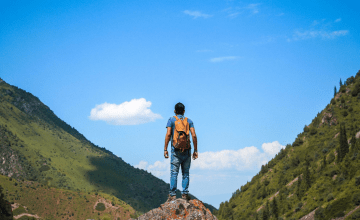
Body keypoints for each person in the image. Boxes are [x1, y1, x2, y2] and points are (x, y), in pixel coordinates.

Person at [164, 102, 198, 202]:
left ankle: (172, 195)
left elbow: (168, 134)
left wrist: (165, 149)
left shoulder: (171, 120)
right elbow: (194, 135)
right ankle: (184, 194)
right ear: (184, 111)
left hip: (175, 150)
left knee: (174, 173)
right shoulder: (189, 121)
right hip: (187, 151)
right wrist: (195, 150)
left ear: (175, 111)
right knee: (186, 173)